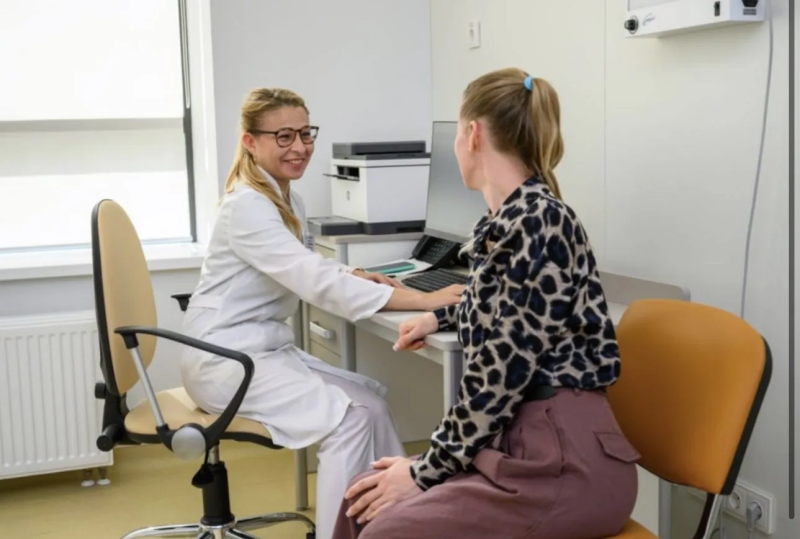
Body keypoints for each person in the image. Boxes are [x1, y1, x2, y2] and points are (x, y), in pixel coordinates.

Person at [332, 68, 639, 539]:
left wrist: (424, 472)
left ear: (473, 134)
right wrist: (438, 317)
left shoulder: (540, 221)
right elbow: (512, 310)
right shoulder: (503, 223)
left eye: (457, 132)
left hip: (562, 463)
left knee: (384, 529)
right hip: (516, 441)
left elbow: (502, 369)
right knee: (362, 499)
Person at [179, 87, 464, 539]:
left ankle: (397, 526)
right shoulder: (248, 206)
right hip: (225, 360)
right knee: (349, 421)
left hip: (259, 350)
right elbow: (312, 279)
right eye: (284, 136)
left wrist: (354, 272)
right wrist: (423, 299)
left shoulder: (284, 198)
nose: (300, 146)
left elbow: (303, 264)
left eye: (305, 133)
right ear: (251, 141)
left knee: (372, 406)